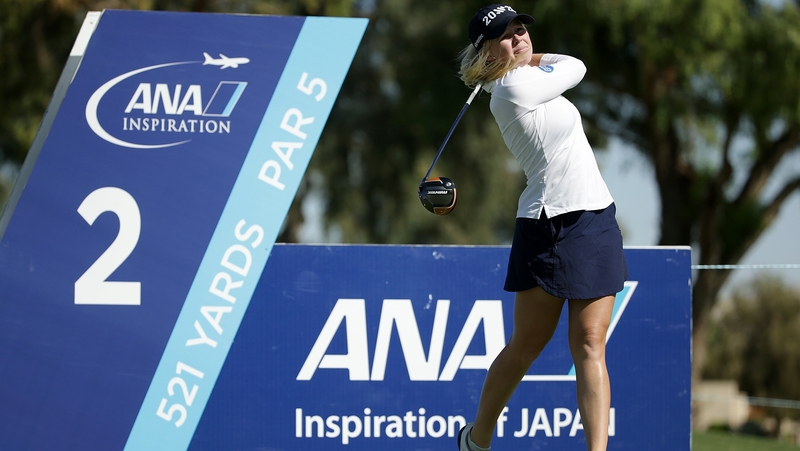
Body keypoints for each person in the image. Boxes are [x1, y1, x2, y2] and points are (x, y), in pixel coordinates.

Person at [455, 4, 629, 451]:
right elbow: (576, 66)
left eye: (521, 31)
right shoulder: (510, 89)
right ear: (488, 52)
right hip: (546, 225)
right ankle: (478, 437)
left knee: (590, 343)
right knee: (527, 346)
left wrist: (526, 56)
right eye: (507, 36)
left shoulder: (528, 78)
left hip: (594, 217)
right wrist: (526, 61)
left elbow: (568, 68)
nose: (520, 39)